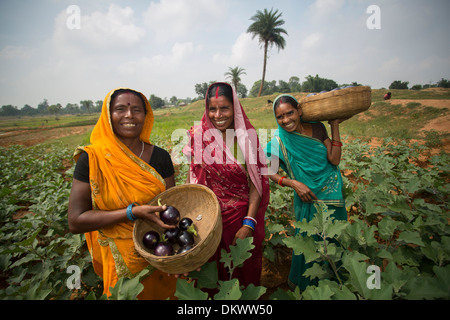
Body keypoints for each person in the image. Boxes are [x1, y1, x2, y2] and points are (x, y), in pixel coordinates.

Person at [68, 88, 178, 299]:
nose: (129, 115)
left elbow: (171, 212)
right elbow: (76, 221)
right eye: (120, 109)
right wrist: (131, 212)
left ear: (145, 117)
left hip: (159, 254)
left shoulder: (160, 157)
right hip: (121, 265)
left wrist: (180, 255)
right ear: (108, 116)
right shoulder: (92, 159)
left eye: (136, 110)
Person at [183, 82, 270, 288]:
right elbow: (192, 179)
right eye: (212, 109)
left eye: (224, 108)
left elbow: (256, 183)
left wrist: (248, 224)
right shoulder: (199, 137)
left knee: (240, 272)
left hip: (239, 220)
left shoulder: (246, 138)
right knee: (210, 276)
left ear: (235, 108)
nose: (218, 114)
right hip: (208, 220)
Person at [265, 94, 347, 291]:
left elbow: (334, 160)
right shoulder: (278, 141)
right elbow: (269, 171)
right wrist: (293, 183)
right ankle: (310, 289)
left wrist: (334, 125)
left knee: (334, 240)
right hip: (307, 197)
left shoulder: (318, 128)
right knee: (309, 244)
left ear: (299, 110)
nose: (286, 120)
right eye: (280, 117)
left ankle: (336, 287)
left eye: (290, 113)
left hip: (332, 193)